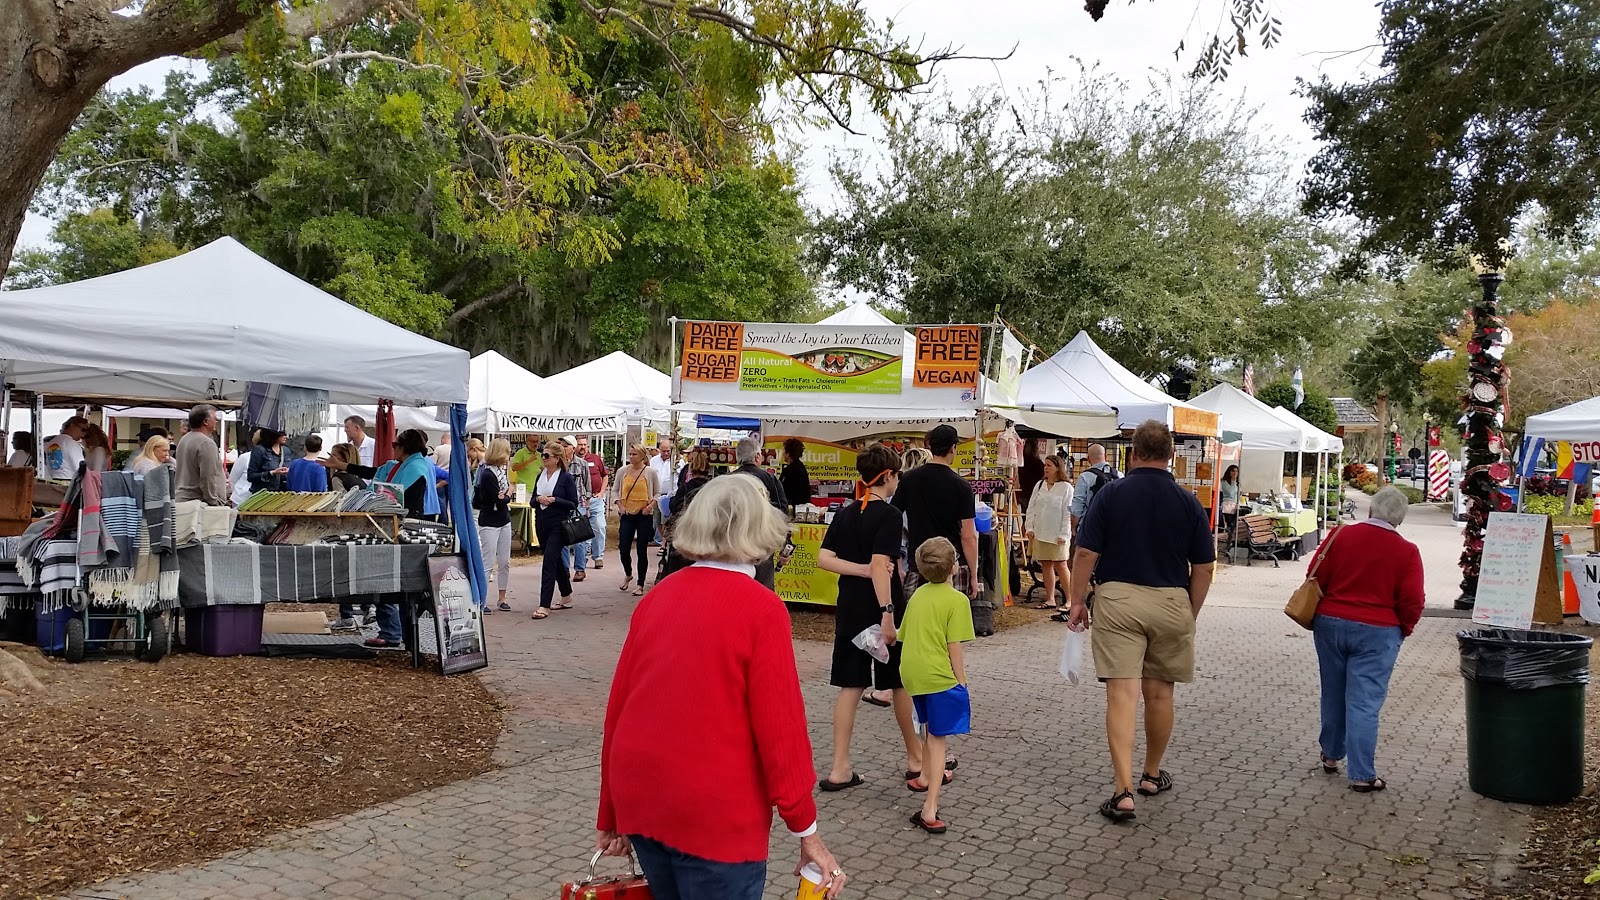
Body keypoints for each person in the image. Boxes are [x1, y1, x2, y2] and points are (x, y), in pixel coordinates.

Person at [596, 475, 846, 900]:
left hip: (644, 796)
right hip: (719, 815)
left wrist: (611, 811)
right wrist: (807, 830)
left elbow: (619, 708)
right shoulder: (761, 610)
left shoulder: (658, 597)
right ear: (761, 530)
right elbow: (780, 731)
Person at [1067, 420, 1215, 823]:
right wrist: (1189, 610)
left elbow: (1084, 553)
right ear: (1170, 456)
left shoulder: (1112, 494)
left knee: (1122, 696)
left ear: (1133, 453)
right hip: (1171, 600)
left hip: (1118, 599)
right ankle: (1151, 773)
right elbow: (1204, 566)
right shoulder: (1187, 502)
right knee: (1161, 694)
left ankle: (1123, 790)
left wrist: (1077, 600)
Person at [817, 443, 924, 794]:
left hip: (849, 605)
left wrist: (859, 571)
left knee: (851, 685)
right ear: (890, 476)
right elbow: (881, 566)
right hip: (879, 608)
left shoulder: (847, 512)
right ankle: (915, 759)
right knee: (898, 682)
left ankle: (839, 767)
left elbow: (824, 558)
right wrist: (888, 612)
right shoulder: (890, 516)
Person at [1310, 486, 1424, 793]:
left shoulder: (1340, 536)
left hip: (1331, 624)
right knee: (1364, 703)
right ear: (1399, 519)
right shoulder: (1407, 551)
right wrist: (1405, 628)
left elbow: (1314, 574)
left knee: (1333, 692)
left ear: (1371, 510)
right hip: (1379, 632)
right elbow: (1412, 600)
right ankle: (1361, 774)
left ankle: (1331, 755)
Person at [898, 537, 975, 834]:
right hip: (939, 676)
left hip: (912, 674)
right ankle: (930, 807)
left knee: (928, 727)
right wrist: (961, 681)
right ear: (953, 567)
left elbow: (905, 635)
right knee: (939, 738)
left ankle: (926, 777)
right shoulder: (957, 601)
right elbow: (954, 646)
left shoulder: (917, 596)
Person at [891, 424, 978, 599]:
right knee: (950, 619)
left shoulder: (909, 479)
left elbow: (892, 519)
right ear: (953, 448)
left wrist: (897, 562)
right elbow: (968, 536)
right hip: (951, 565)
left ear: (929, 446)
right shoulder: (961, 486)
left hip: (919, 563)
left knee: (917, 620)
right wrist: (974, 575)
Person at [731, 437, 787, 590]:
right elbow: (781, 513)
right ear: (757, 457)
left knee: (734, 590)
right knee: (763, 590)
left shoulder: (726, 481)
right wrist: (785, 545)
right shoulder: (770, 479)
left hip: (731, 545)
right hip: (761, 544)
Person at [531, 440, 579, 618]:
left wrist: (555, 500)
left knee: (549, 562)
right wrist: (540, 499)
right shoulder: (540, 476)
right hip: (542, 522)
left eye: (546, 455)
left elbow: (573, 502)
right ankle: (566, 594)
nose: (543, 458)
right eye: (542, 455)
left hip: (558, 524)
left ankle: (544, 604)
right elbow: (532, 501)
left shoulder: (565, 478)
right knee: (555, 558)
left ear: (557, 459)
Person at [1025, 454, 1074, 611]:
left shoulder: (1066, 488)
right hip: (1041, 531)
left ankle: (1070, 600)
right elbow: (1031, 508)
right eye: (1045, 465)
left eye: (1049, 465)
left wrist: (1064, 534)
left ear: (1058, 468)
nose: (1045, 468)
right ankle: (1050, 598)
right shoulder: (1040, 485)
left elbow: (1068, 513)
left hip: (1057, 533)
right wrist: (1029, 527)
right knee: (1046, 564)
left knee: (1061, 565)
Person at [612, 444, 660, 597]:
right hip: (627, 513)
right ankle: (628, 572)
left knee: (641, 550)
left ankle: (640, 583)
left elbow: (658, 493)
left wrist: (650, 506)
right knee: (624, 547)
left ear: (642, 456)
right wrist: (619, 505)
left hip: (644, 514)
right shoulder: (622, 471)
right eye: (630, 454)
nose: (631, 457)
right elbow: (614, 490)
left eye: (634, 454)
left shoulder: (650, 472)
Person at [658, 450, 712, 580]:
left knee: (680, 570)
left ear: (691, 469)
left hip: (685, 533)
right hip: (706, 535)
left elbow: (673, 507)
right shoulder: (712, 488)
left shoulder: (686, 487)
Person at [475, 438, 515, 612]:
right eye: (507, 452)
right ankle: (482, 600)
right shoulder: (487, 473)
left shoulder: (502, 471)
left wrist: (505, 495)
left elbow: (502, 498)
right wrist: (508, 494)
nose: (509, 456)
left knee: (505, 561)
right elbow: (498, 500)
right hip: (490, 521)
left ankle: (502, 597)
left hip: (503, 520)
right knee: (488, 562)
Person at [173, 405, 228, 506]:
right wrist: (213, 500)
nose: (216, 422)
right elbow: (207, 476)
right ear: (205, 422)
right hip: (198, 503)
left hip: (182, 498)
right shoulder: (206, 443)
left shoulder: (184, 439)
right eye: (214, 419)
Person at [557, 435, 594, 581]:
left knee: (580, 538)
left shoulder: (581, 464)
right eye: (562, 446)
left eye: (566, 446)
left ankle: (580, 569)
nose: (563, 449)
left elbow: (587, 485)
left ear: (573, 448)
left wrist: (587, 504)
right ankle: (565, 569)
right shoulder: (558, 464)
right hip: (562, 505)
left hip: (578, 504)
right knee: (564, 538)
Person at [1069, 442, 1120, 538]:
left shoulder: (1084, 477)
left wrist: (1074, 528)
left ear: (1088, 459)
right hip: (1114, 528)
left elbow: (1077, 506)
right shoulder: (1119, 475)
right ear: (1105, 456)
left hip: (1090, 529)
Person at [577, 436, 609, 569]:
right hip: (580, 500)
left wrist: (602, 492)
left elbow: (604, 475)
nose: (582, 447)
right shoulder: (572, 461)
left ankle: (598, 556)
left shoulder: (595, 459)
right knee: (581, 530)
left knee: (600, 526)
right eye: (580, 444)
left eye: (585, 444)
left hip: (596, 499)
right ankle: (582, 557)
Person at [246, 428, 290, 493]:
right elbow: (251, 476)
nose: (285, 436)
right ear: (273, 434)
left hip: (282, 494)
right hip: (263, 494)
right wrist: (271, 473)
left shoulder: (286, 450)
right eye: (282, 434)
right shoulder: (259, 450)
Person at [649, 438, 675, 544]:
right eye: (663, 451)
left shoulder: (676, 460)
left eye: (668, 450)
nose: (666, 453)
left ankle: (664, 543)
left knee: (666, 520)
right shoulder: (654, 460)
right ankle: (663, 541)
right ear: (659, 449)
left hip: (670, 494)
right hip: (657, 494)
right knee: (658, 520)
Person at [780, 438, 813, 510]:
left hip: (792, 509)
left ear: (788, 453)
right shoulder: (801, 467)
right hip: (802, 509)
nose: (782, 453)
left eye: (783, 451)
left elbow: (782, 491)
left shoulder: (789, 470)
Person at [1017, 438, 1045, 512]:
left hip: (1024, 493)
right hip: (1036, 494)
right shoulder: (1039, 463)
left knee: (1025, 517)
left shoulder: (1021, 462)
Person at [1218, 464, 1241, 537]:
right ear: (1229, 472)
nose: (1235, 473)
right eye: (1233, 471)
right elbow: (1230, 492)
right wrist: (1233, 481)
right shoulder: (1224, 482)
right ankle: (1228, 538)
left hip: (1235, 504)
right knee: (1229, 523)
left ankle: (1232, 537)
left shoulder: (1237, 482)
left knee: (1235, 524)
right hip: (1228, 504)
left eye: (1236, 471)